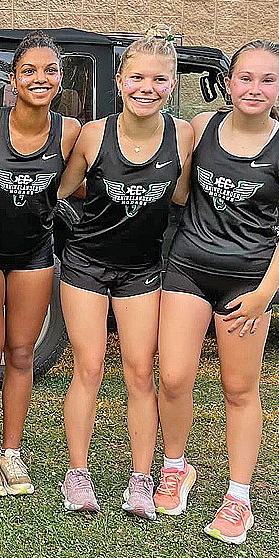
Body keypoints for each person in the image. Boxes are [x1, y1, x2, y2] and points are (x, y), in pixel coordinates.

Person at [155, 40, 279, 544]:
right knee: (175, 377)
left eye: (267, 79)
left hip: (248, 281)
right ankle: (176, 467)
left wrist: (266, 293)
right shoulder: (201, 128)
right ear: (228, 81)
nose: (254, 87)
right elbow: (179, 190)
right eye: (245, 76)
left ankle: (238, 497)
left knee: (240, 389)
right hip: (187, 269)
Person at [55, 28, 194, 520]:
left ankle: (141, 478)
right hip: (86, 265)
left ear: (172, 85)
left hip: (142, 269)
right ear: (120, 80)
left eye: (159, 79)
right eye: (137, 76)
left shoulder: (184, 136)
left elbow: (181, 198)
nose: (146, 87)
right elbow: (65, 192)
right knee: (88, 368)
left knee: (140, 372)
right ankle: (78, 475)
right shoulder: (95, 135)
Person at [0, 31, 80, 498]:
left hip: (35, 252)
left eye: (49, 70)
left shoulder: (69, 132)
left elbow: (68, 189)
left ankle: (12, 451)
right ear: (13, 78)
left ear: (60, 78)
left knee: (23, 353)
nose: (40, 78)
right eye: (29, 70)